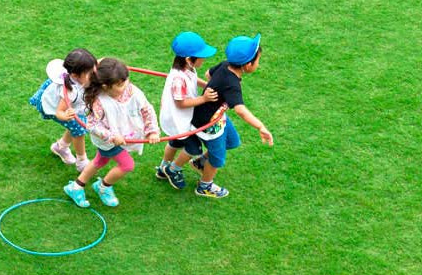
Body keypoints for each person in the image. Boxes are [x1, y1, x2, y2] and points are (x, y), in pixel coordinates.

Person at [63, 58, 160, 207]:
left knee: (100, 161)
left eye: (126, 80)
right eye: (120, 84)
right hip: (108, 140)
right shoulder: (99, 101)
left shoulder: (132, 91)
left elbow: (147, 109)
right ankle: (104, 186)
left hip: (122, 136)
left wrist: (152, 130)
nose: (126, 85)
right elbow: (92, 125)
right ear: (105, 86)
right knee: (127, 165)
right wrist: (112, 136)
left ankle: (76, 186)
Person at [190, 34, 274, 198]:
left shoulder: (225, 65)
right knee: (218, 158)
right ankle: (204, 186)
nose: (258, 64)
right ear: (248, 65)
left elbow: (208, 74)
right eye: (258, 61)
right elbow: (241, 110)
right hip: (208, 124)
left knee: (232, 141)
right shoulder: (233, 84)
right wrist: (261, 126)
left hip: (217, 117)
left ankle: (200, 162)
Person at [156, 31, 218, 190]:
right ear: (189, 59)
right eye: (201, 56)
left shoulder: (187, 68)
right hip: (178, 118)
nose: (204, 59)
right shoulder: (178, 78)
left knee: (175, 142)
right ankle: (172, 169)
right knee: (193, 148)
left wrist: (205, 85)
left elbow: (193, 79)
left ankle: (163, 167)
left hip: (177, 118)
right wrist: (204, 99)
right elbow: (181, 103)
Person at [28, 48, 96, 172]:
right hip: (55, 106)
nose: (94, 74)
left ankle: (61, 147)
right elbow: (59, 112)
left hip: (69, 104)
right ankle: (82, 162)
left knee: (76, 124)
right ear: (75, 75)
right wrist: (66, 116)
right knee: (79, 128)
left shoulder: (82, 76)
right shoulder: (69, 92)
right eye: (90, 72)